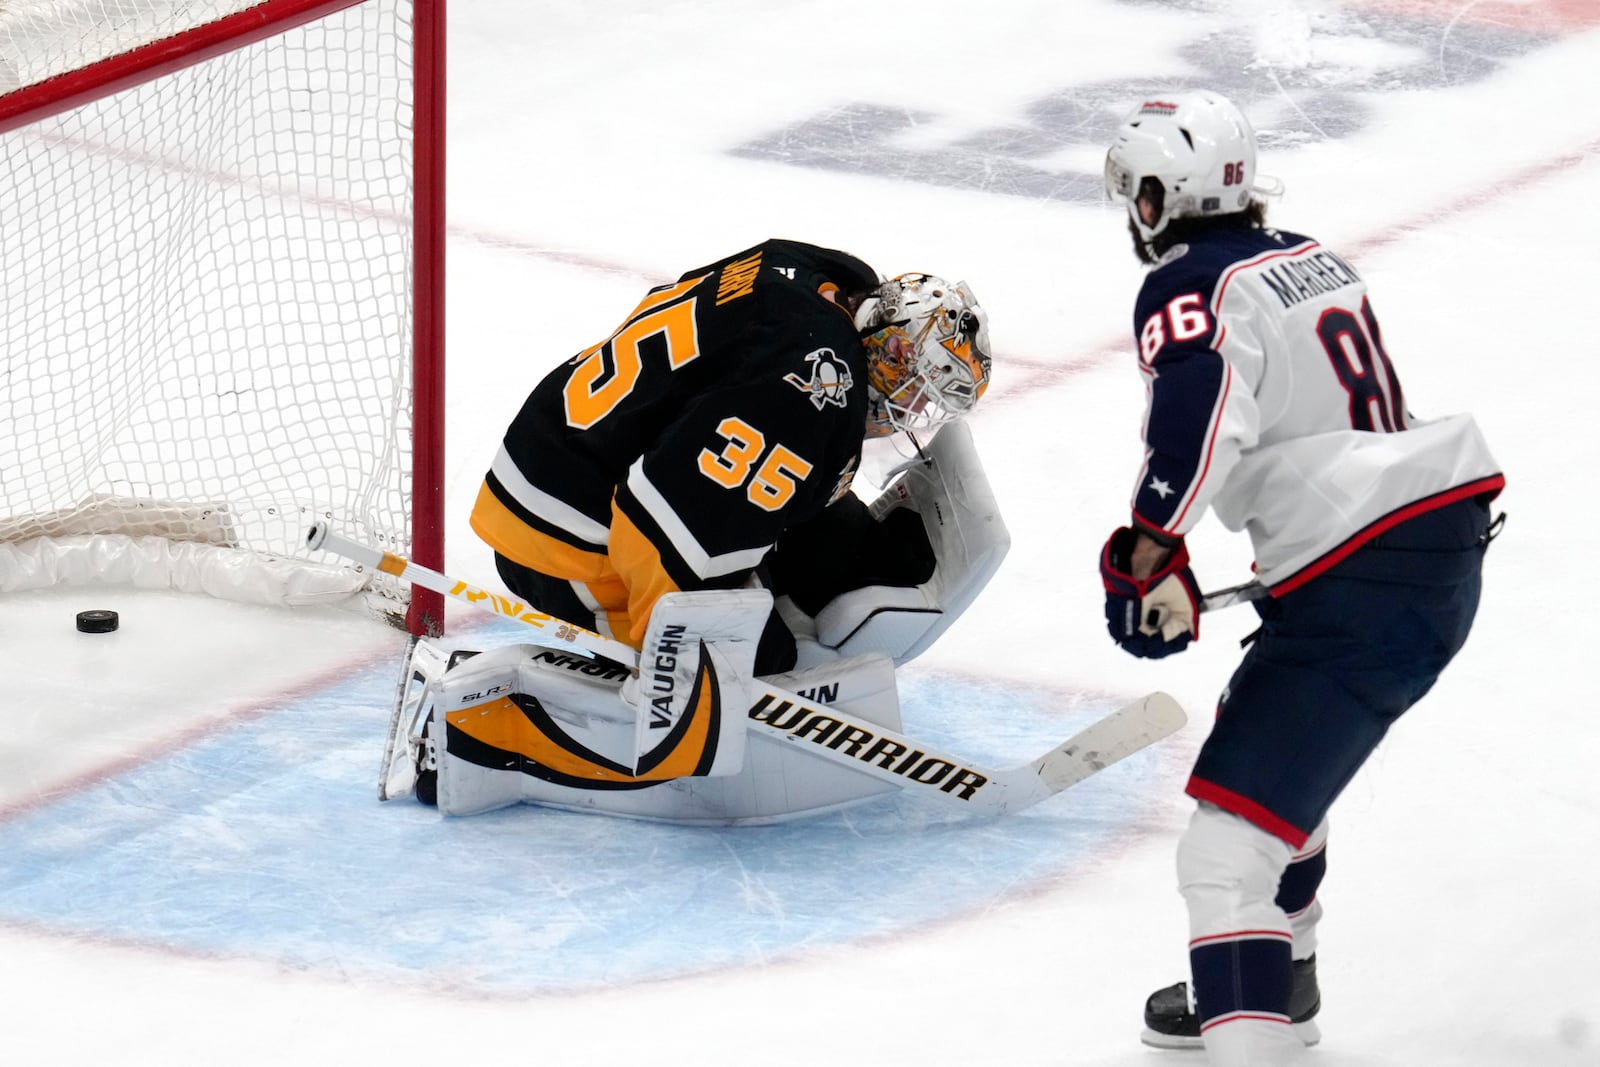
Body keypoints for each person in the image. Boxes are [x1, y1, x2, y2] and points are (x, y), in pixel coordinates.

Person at [1095, 91, 1504, 1065]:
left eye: (1136, 193)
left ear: (1161, 196)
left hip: (1365, 576)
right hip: (1417, 546)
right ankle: (1283, 984)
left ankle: (1253, 1021)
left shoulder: (1186, 286)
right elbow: (1309, 417)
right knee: (1279, 780)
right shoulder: (1306, 255)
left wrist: (1147, 549)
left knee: (1224, 857)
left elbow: (1198, 423)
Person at [469, 238, 991, 678]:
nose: (917, 409)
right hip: (559, 544)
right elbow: (662, 530)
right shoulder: (807, 394)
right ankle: (506, 734)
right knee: (766, 667)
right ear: (892, 352)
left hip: (564, 449)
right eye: (920, 391)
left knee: (837, 548)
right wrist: (706, 661)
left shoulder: (811, 275)